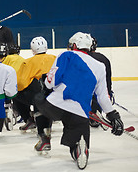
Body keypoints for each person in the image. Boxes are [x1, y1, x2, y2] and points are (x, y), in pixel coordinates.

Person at [36, 32, 124, 169]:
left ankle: (45, 134)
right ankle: (79, 149)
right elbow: (102, 97)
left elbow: (50, 82)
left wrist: (46, 85)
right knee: (76, 128)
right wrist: (113, 116)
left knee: (39, 100)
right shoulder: (100, 66)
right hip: (80, 111)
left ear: (75, 45)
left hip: (55, 106)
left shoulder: (65, 55)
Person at [14, 37, 56, 132]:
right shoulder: (54, 58)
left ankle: (29, 119)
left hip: (38, 96)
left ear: (32, 49)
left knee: (16, 94)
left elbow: (21, 83)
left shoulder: (27, 62)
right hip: (55, 95)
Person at [88, 36, 114, 127]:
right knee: (98, 95)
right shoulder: (104, 58)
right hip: (100, 91)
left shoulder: (82, 57)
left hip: (85, 91)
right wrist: (109, 92)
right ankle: (95, 115)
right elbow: (107, 78)